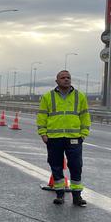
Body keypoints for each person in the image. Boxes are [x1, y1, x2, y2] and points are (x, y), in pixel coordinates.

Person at [37, 70, 91, 206]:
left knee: (76, 165)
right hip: (54, 138)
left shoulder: (80, 97)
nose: (66, 80)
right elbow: (42, 116)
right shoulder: (48, 97)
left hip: (74, 137)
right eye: (63, 78)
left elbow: (85, 116)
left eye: (68, 77)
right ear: (57, 81)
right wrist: (43, 133)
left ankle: (77, 196)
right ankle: (60, 194)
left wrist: (83, 134)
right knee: (56, 166)